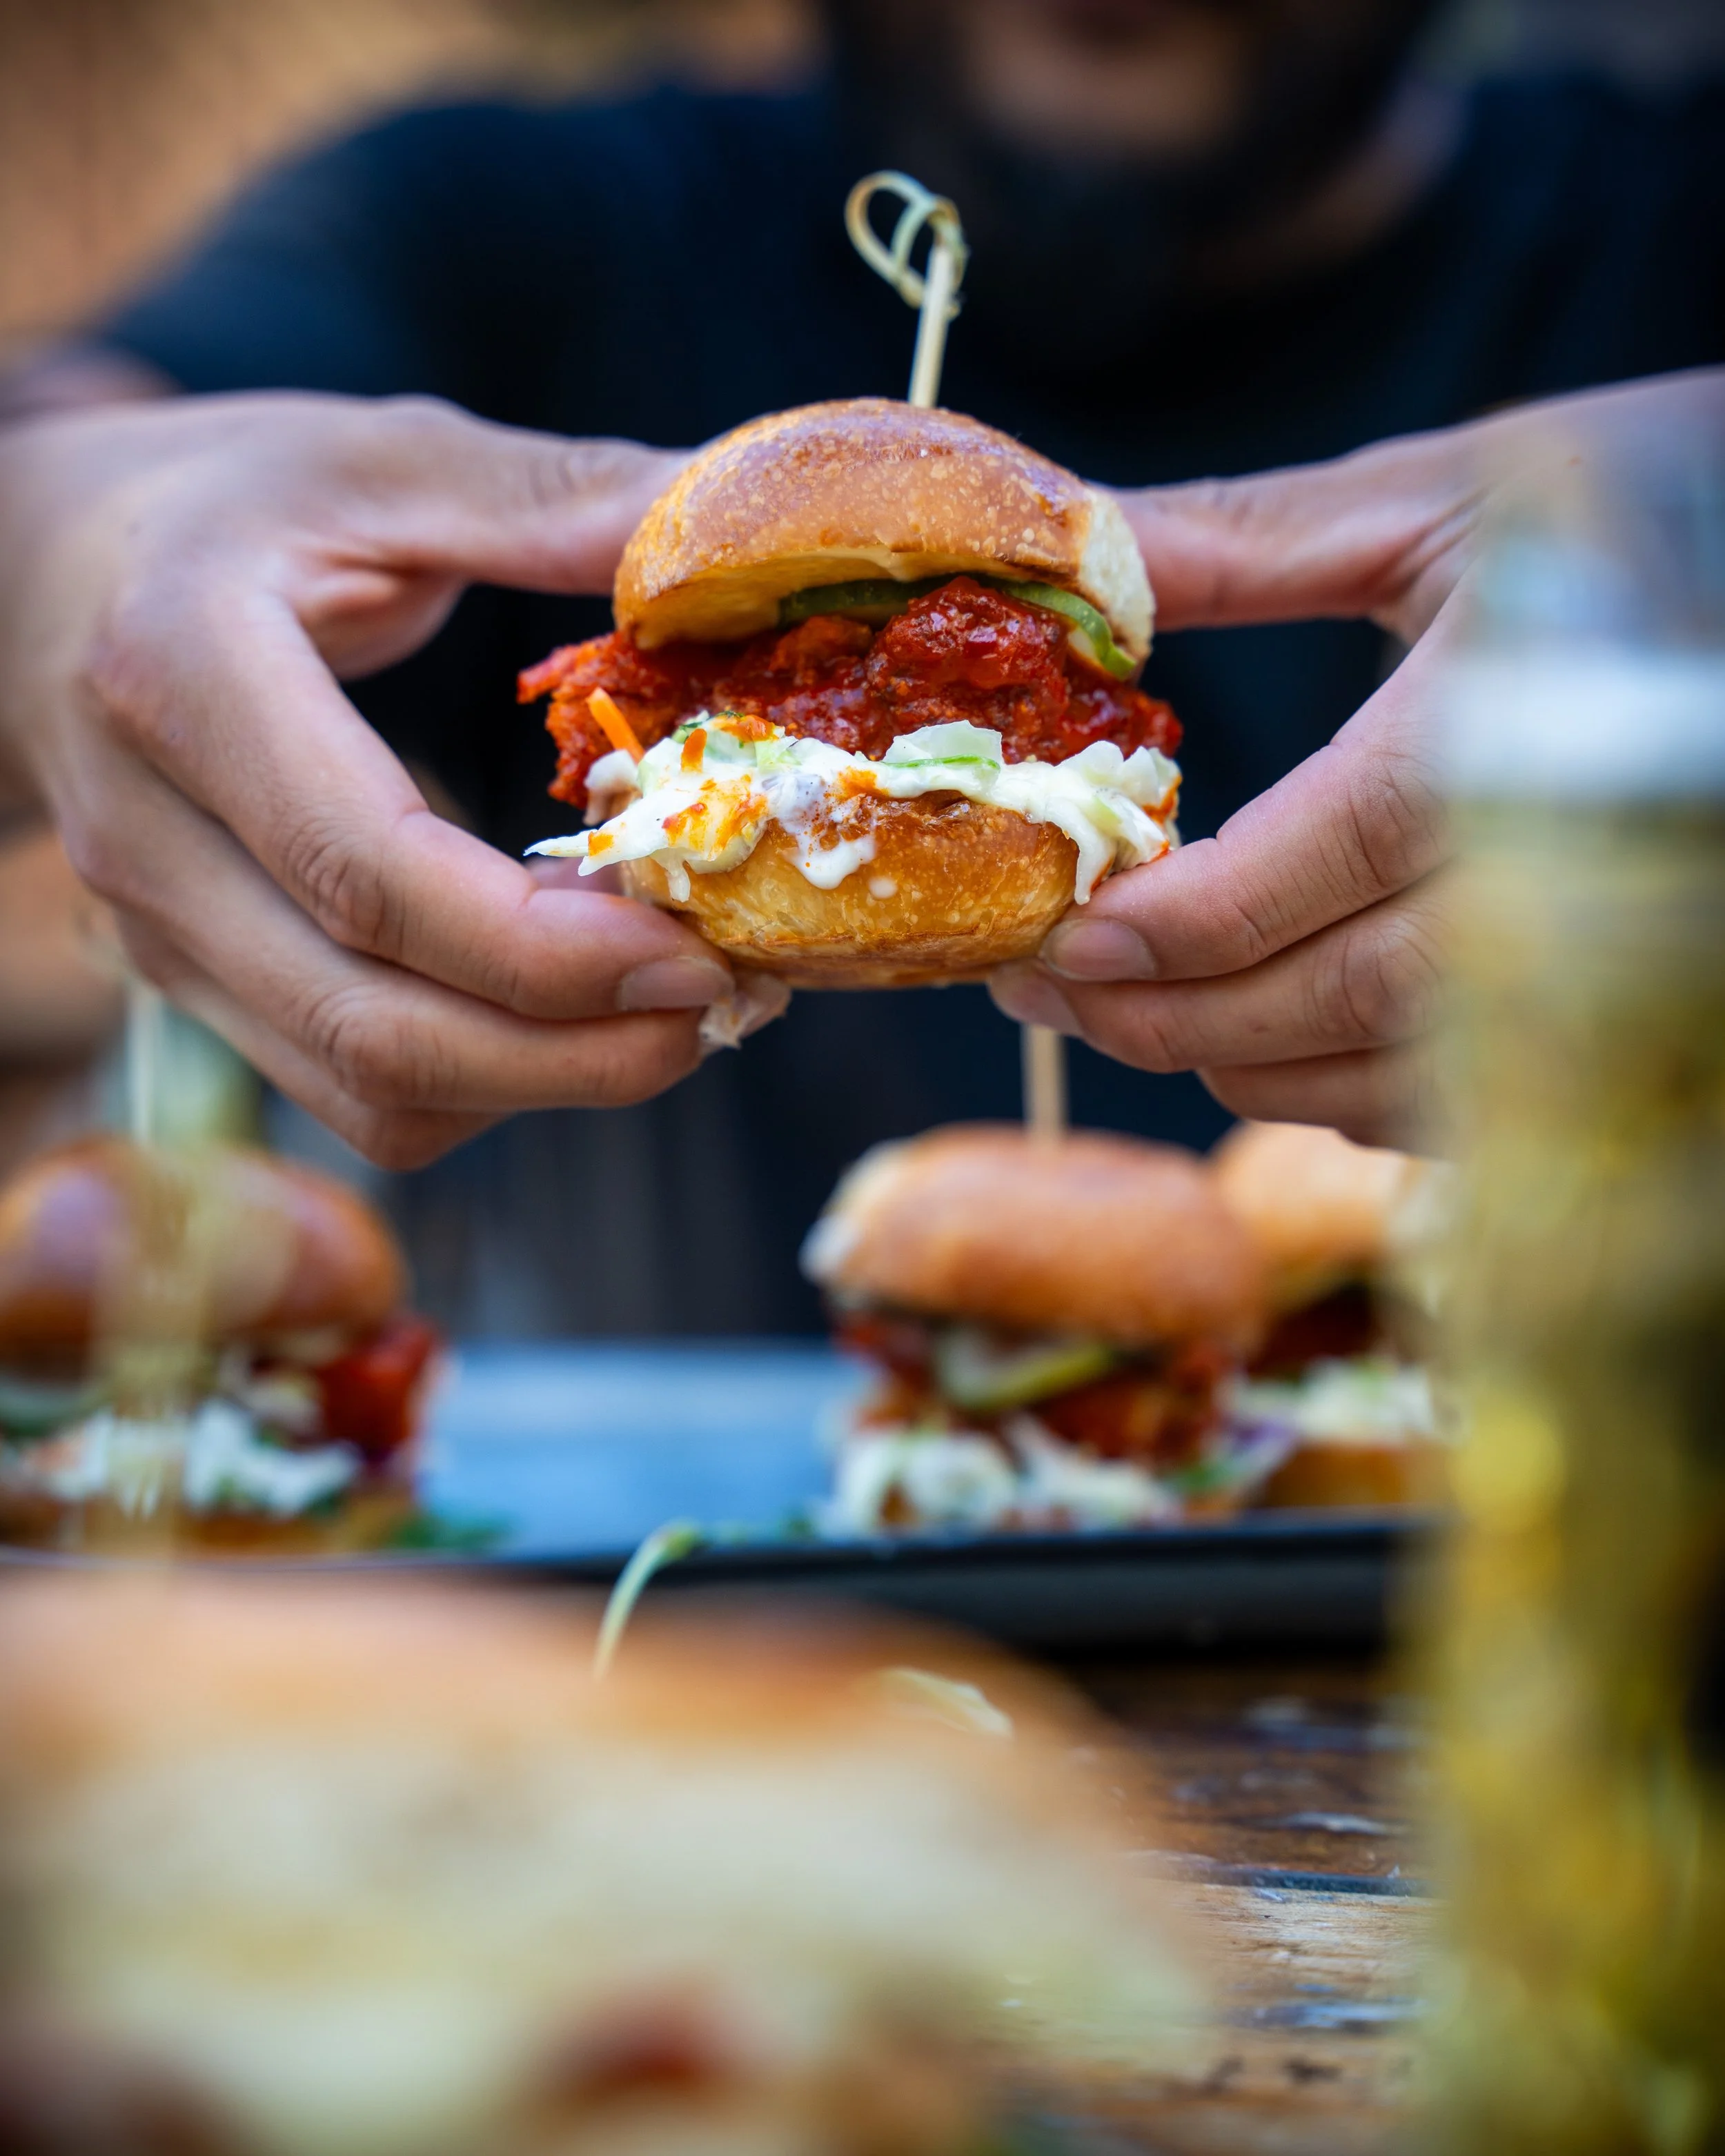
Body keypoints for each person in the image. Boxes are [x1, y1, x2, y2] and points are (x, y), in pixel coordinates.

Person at [0, 0, 1721, 1332]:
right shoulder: (505, 220)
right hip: (675, 1642)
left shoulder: (1671, 229)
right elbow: (81, 443)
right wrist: (53, 550)